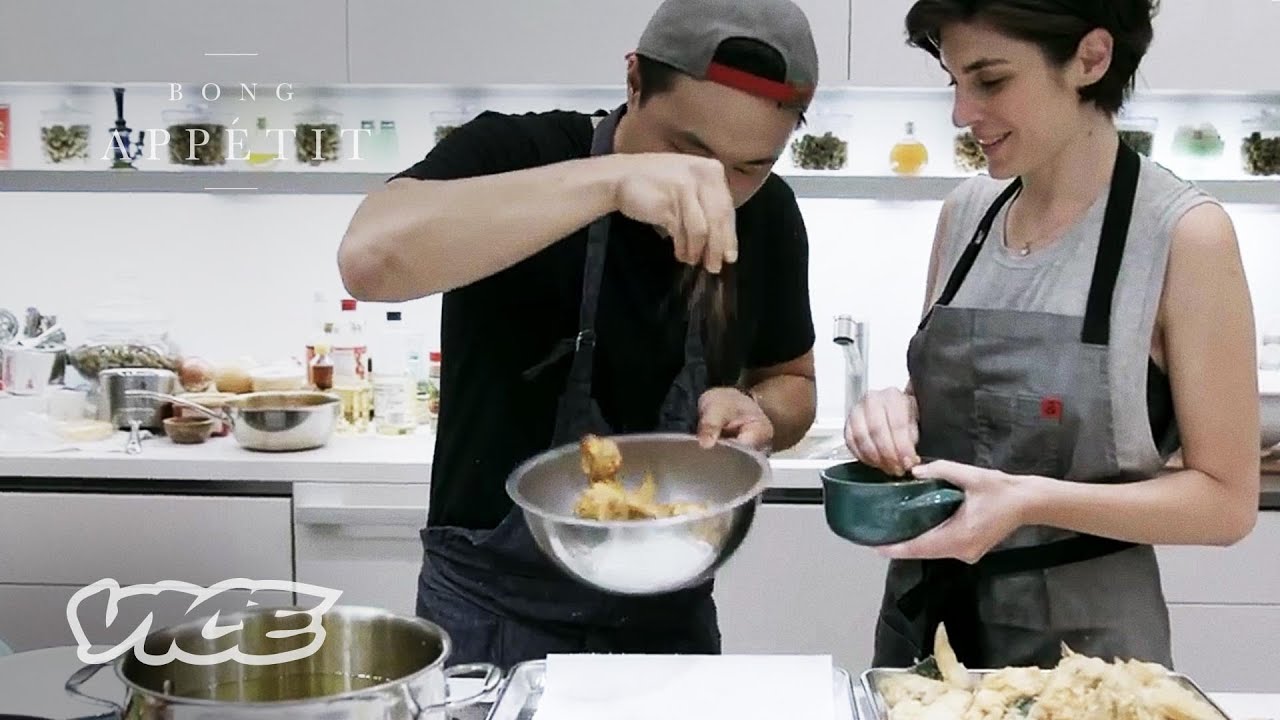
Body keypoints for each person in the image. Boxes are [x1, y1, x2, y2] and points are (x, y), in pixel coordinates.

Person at [337, 0, 821, 669]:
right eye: (687, 152)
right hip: (490, 616)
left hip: (669, 623)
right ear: (632, 82)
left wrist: (760, 411)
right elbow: (369, 260)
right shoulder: (514, 154)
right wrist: (615, 183)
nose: (716, 189)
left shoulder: (769, 215)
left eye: (751, 166)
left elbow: (792, 382)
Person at [845, 0, 1261, 669]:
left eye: (990, 80)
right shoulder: (967, 213)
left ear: (1090, 60)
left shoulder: (1182, 234)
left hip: (1086, 656)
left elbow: (1225, 502)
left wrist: (1028, 502)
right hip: (929, 633)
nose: (961, 113)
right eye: (955, 82)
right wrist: (894, 412)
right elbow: (963, 405)